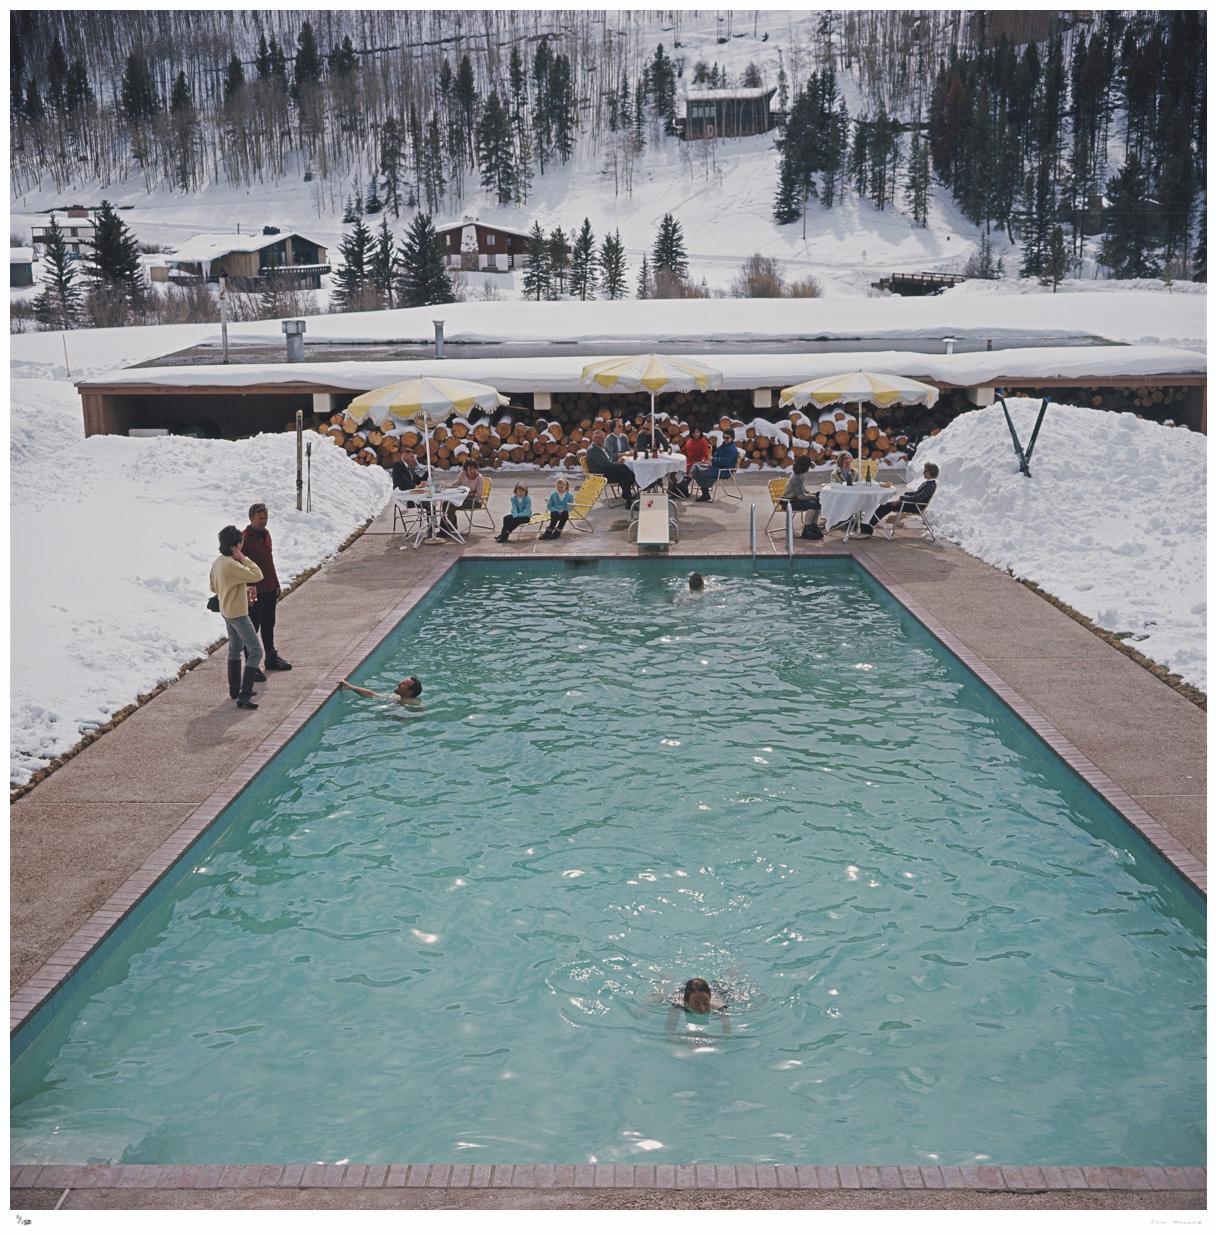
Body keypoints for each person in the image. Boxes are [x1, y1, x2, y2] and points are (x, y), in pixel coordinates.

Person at [209, 525, 264, 710]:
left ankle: (235, 690)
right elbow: (258, 575)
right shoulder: (233, 564)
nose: (242, 546)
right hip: (238, 614)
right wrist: (243, 558)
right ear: (236, 545)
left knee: (235, 649)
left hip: (226, 611)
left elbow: (214, 587)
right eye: (241, 544)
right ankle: (244, 695)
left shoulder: (218, 562)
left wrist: (240, 586)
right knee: (256, 651)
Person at [241, 503, 292, 674]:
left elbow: (269, 561)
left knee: (269, 624)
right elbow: (241, 567)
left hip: (269, 587)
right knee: (252, 628)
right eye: (260, 518)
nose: (263, 521)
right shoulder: (244, 539)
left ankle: (271, 657)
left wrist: (276, 583)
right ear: (251, 518)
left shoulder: (266, 534)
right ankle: (251, 665)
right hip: (255, 591)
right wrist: (247, 591)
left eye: (265, 518)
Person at [860, 462, 939, 535]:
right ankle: (868, 524)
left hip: (915, 507)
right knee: (885, 505)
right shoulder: (929, 483)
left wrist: (902, 498)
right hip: (913, 504)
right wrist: (906, 494)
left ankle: (868, 526)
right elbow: (917, 494)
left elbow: (917, 498)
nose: (923, 472)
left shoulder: (930, 486)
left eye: (925, 471)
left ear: (930, 472)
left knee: (886, 506)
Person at [665, 977, 731, 1040]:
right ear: (686, 1001)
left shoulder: (719, 1007)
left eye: (705, 1003)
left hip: (717, 991)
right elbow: (670, 1031)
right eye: (697, 1004)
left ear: (709, 998)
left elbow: (727, 1031)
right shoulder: (678, 1005)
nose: (702, 1008)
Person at [586, 429, 636, 506]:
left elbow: (611, 457)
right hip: (601, 474)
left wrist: (621, 457)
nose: (601, 439)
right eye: (598, 437)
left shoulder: (602, 447)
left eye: (603, 438)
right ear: (593, 438)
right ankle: (629, 497)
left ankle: (627, 497)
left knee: (624, 472)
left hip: (608, 470)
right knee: (623, 470)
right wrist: (618, 463)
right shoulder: (592, 449)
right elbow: (605, 464)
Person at [782, 456, 824, 540]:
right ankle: (807, 529)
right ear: (804, 467)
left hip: (795, 499)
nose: (808, 469)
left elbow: (803, 490)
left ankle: (813, 525)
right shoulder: (795, 477)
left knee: (818, 502)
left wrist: (812, 494)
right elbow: (801, 496)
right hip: (788, 502)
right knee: (812, 504)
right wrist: (814, 497)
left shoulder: (800, 474)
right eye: (808, 467)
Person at [692, 432, 740, 501]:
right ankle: (705, 493)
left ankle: (705, 493)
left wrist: (713, 459)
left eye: (727, 438)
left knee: (700, 471)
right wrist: (710, 460)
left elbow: (724, 462)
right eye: (724, 437)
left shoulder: (732, 450)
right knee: (696, 467)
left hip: (724, 471)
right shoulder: (724, 446)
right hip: (716, 467)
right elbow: (716, 455)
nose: (725, 439)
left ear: (732, 438)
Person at [441, 459, 482, 534]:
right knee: (445, 503)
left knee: (451, 505)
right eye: (469, 469)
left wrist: (467, 494)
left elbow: (479, 494)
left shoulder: (479, 477)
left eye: (474, 468)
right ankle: (450, 525)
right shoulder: (462, 474)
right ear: (466, 469)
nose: (472, 471)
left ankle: (446, 529)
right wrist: (446, 486)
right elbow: (455, 484)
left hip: (474, 501)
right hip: (461, 499)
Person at [672, 425, 710, 498]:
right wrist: (678, 453)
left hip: (697, 462)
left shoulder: (703, 442)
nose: (695, 434)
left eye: (697, 432)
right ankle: (680, 490)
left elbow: (705, 455)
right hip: (688, 461)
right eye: (694, 432)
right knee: (677, 469)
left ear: (700, 433)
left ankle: (682, 488)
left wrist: (702, 460)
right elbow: (683, 451)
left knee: (691, 468)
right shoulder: (689, 441)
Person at [338, 676, 423, 705]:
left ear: (409, 692)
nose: (399, 683)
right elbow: (372, 695)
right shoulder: (396, 697)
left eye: (403, 684)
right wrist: (351, 687)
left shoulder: (415, 704)